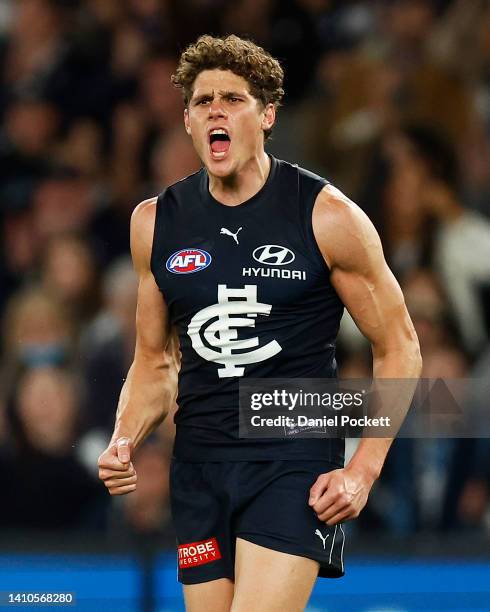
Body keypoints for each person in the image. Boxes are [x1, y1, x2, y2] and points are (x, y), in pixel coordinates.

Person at [98, 34, 422, 612]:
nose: (215, 111)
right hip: (198, 463)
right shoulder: (155, 223)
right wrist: (125, 437)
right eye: (202, 102)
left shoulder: (327, 216)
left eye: (233, 98)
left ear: (268, 115)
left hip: (291, 458)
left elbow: (399, 347)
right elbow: (154, 361)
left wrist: (363, 470)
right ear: (189, 123)